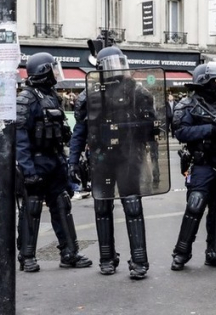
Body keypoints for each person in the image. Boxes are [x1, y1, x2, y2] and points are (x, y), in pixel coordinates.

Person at [69, 46, 164, 280]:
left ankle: (138, 260)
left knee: (130, 205)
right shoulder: (91, 94)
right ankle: (107, 259)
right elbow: (80, 131)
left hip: (128, 156)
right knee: (103, 206)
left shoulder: (137, 91)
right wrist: (72, 161)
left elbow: (151, 127)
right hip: (105, 159)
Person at [16, 52, 92, 273]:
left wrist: (68, 161)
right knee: (31, 209)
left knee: (62, 206)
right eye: (51, 69)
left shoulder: (52, 96)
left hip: (54, 160)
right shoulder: (26, 99)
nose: (55, 74)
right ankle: (27, 256)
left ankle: (69, 253)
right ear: (43, 71)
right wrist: (28, 170)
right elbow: (20, 139)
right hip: (37, 162)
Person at [169, 62, 216, 272]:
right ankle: (181, 253)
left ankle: (215, 252)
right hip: (202, 163)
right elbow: (180, 132)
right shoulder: (187, 105)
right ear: (204, 82)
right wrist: (209, 129)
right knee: (195, 206)